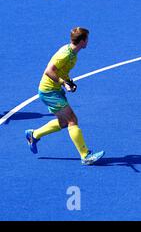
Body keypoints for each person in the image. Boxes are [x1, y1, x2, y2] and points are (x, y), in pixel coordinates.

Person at [25, 27, 105, 165]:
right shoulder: (65, 54)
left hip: (54, 90)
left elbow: (62, 70)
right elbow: (49, 71)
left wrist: (69, 82)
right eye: (87, 39)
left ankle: (34, 135)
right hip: (49, 91)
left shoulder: (73, 53)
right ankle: (85, 155)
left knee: (63, 122)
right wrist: (63, 82)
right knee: (72, 120)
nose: (88, 41)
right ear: (82, 40)